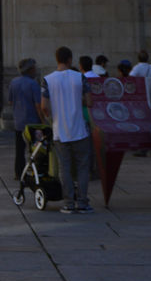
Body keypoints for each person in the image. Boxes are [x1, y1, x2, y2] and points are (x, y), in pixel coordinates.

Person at [39, 45, 92, 214]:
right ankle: (82, 202)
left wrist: (51, 118)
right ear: (70, 59)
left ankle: (68, 203)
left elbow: (44, 106)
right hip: (79, 130)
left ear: (57, 59)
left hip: (60, 130)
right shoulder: (80, 78)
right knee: (83, 167)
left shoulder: (48, 80)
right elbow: (89, 101)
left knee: (65, 168)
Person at [9, 58, 41, 180]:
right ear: (31, 69)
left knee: (19, 150)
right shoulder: (33, 84)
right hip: (32, 121)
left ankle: (19, 172)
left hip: (19, 121)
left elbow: (11, 101)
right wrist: (43, 119)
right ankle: (34, 172)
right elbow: (38, 104)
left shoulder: (13, 82)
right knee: (35, 150)